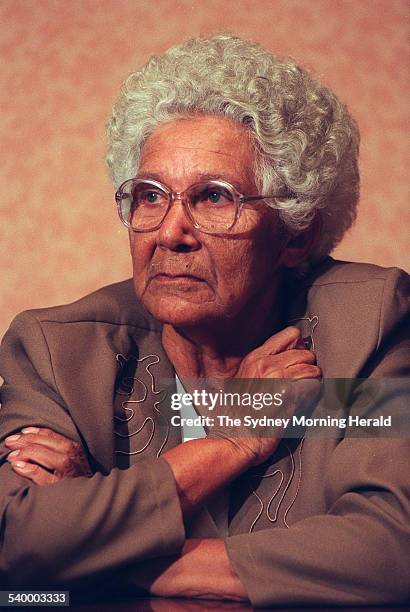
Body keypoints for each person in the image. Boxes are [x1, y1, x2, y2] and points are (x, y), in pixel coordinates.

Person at [0, 34, 409, 607]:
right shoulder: (59, 353)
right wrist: (231, 440)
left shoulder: (362, 331)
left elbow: (390, 549)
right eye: (149, 196)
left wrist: (98, 546)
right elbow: (16, 540)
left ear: (297, 234)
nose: (170, 232)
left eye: (214, 198)